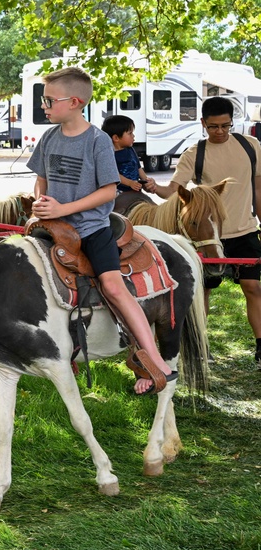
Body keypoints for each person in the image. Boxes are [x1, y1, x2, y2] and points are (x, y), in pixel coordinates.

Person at [28, 67, 175, 395]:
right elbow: (41, 177)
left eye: (49, 100)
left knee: (112, 284)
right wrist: (41, 200)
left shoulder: (96, 140)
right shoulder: (49, 137)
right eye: (44, 99)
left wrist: (62, 209)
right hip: (53, 227)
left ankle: (152, 359)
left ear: (75, 102)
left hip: (91, 228)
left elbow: (108, 192)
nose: (44, 105)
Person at [154, 96, 261, 370]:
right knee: (202, 293)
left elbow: (258, 189)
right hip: (208, 237)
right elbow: (174, 190)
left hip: (244, 230)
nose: (220, 132)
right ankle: (200, 347)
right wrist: (150, 186)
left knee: (253, 288)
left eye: (226, 125)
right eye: (214, 126)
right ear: (203, 123)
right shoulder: (194, 153)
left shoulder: (251, 146)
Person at [101, 115, 157, 213]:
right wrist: (129, 183)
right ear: (116, 138)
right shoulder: (109, 154)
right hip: (119, 191)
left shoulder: (130, 150)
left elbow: (138, 168)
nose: (133, 136)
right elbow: (113, 174)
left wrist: (146, 181)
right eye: (130, 133)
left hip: (134, 189)